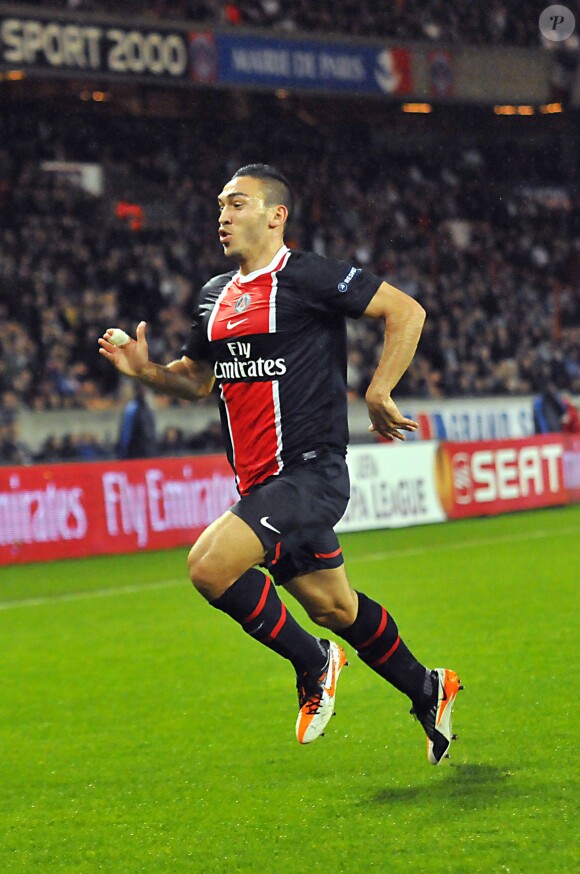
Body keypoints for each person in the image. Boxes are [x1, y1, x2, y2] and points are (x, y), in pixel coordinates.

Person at [99, 164, 462, 764]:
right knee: (333, 607)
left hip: (311, 475)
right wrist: (146, 371)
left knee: (209, 567)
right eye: (219, 206)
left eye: (236, 204)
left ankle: (314, 663)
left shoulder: (309, 276)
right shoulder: (215, 295)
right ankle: (429, 688)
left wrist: (378, 391)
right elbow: (194, 380)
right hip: (264, 485)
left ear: (275, 215)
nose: (223, 216)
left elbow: (408, 312)